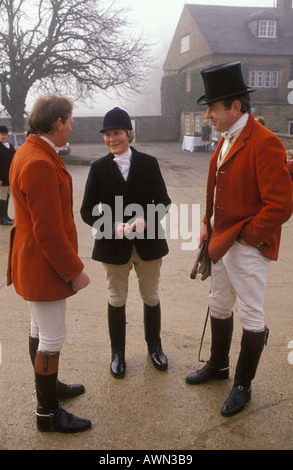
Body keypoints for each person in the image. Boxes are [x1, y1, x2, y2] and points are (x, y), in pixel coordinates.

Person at [186, 62, 292, 417]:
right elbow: (217, 190)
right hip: (220, 240)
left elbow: (280, 205)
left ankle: (243, 385)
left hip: (245, 246)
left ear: (235, 107)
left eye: (213, 108)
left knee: (251, 314)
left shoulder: (266, 143)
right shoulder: (228, 138)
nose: (208, 115)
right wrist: (206, 222)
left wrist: (247, 237)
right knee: (219, 303)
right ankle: (218, 366)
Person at [7, 95, 91, 433]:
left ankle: (50, 390)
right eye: (70, 122)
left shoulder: (29, 150)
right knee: (52, 337)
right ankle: (48, 412)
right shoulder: (38, 161)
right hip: (44, 261)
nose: (71, 127)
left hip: (33, 258)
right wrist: (74, 270)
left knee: (39, 330)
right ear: (57, 123)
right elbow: (49, 230)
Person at [80, 107, 171, 378]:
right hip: (113, 246)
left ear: (129, 134)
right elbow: (86, 211)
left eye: (116, 133)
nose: (112, 139)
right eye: (107, 135)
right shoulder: (97, 168)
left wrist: (148, 219)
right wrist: (111, 226)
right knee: (116, 299)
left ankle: (154, 347)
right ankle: (117, 353)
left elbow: (164, 201)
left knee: (151, 296)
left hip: (148, 243)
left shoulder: (149, 162)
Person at [0, 125, 15, 225]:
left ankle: (6, 215)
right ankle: (1, 218)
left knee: (8, 196)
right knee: (2, 197)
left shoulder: (11, 146)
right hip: (2, 178)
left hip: (10, 177)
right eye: (2, 135)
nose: (4, 136)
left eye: (5, 134)